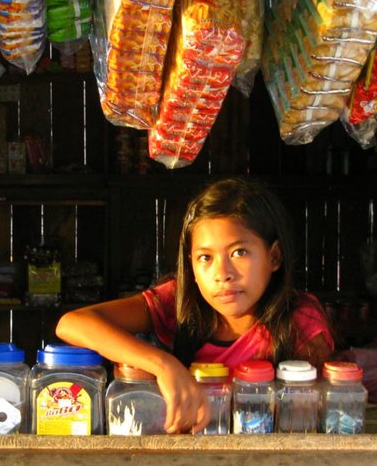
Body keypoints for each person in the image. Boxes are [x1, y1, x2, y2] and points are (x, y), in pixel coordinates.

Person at [56, 177, 334, 434]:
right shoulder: (178, 302)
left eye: (239, 252)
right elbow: (72, 323)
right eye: (205, 257)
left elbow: (308, 423)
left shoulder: (299, 320)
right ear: (190, 263)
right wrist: (165, 366)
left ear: (274, 257)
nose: (222, 273)